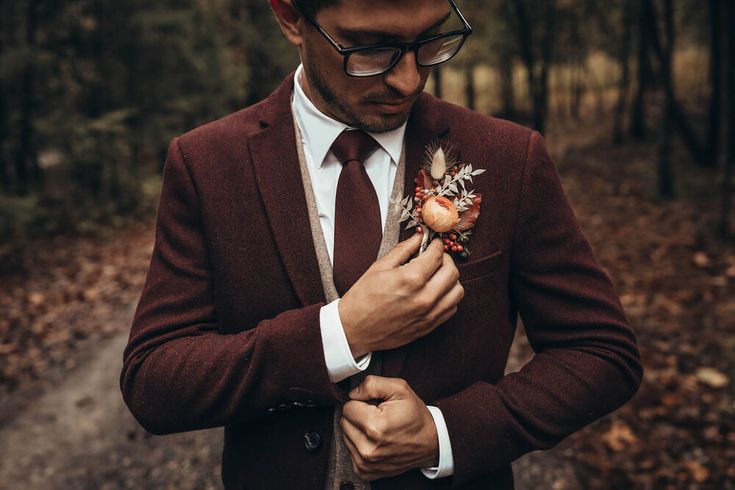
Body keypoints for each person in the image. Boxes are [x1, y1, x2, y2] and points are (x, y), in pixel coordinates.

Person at [120, 1, 642, 489]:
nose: (408, 78)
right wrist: (339, 334)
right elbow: (154, 380)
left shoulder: (508, 157)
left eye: (432, 41)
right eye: (370, 49)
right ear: (290, 17)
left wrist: (445, 434)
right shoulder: (207, 164)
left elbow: (602, 352)